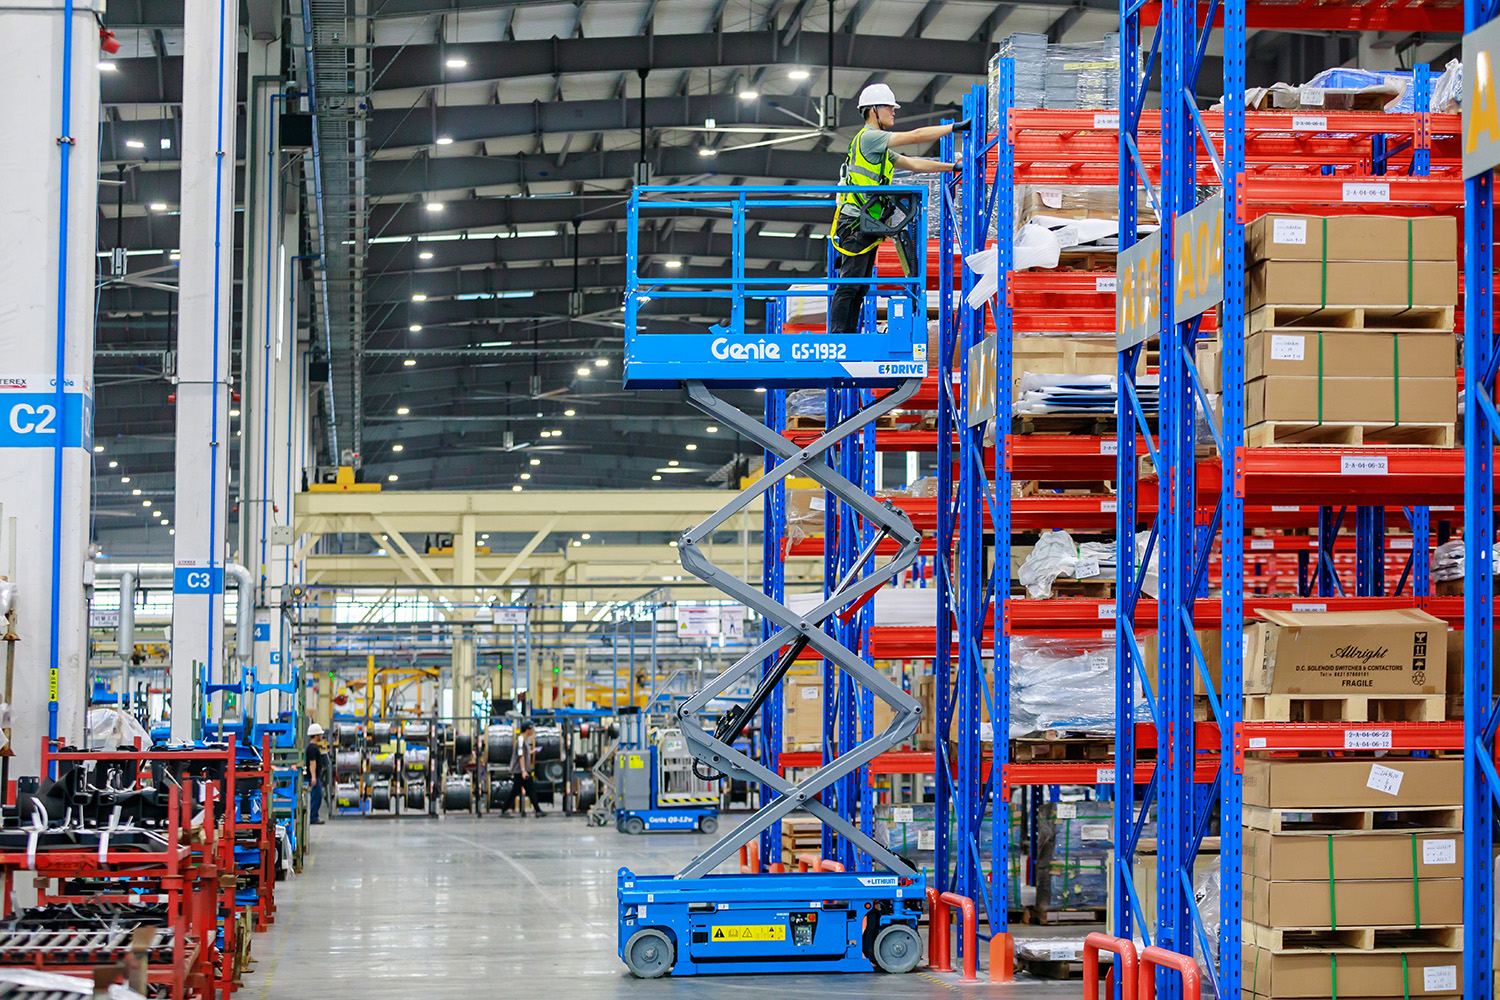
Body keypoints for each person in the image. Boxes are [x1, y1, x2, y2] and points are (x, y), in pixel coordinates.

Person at [829, 83, 970, 335]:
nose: (893, 111)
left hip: (866, 224)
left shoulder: (880, 149)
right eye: (888, 107)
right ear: (873, 110)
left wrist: (953, 168)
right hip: (855, 223)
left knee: (859, 286)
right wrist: (954, 127)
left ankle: (847, 338)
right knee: (850, 284)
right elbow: (915, 136)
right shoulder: (870, 137)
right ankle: (839, 338)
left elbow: (913, 163)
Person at [500, 720, 546, 818]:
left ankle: (538, 810)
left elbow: (523, 754)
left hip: (523, 771)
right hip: (520, 771)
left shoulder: (524, 740)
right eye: (532, 728)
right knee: (515, 791)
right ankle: (504, 810)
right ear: (527, 729)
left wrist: (532, 752)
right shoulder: (521, 740)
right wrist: (523, 771)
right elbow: (521, 756)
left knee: (530, 790)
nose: (533, 730)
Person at [305, 723, 329, 824]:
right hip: (312, 777)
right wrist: (314, 777)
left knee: (317, 796)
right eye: (320, 734)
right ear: (316, 735)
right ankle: (312, 817)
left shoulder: (314, 747)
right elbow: (312, 763)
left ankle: (313, 816)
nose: (322, 736)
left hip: (314, 776)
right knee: (317, 797)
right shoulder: (312, 748)